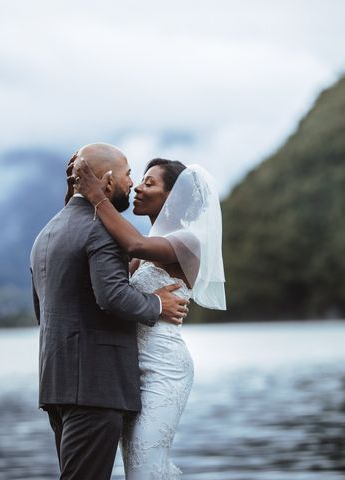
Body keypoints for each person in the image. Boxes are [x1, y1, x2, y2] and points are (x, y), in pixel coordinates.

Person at [29, 143, 190, 480]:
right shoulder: (102, 230)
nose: (132, 184)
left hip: (56, 383)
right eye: (129, 174)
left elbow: (42, 311)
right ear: (105, 180)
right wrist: (159, 303)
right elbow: (114, 295)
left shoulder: (47, 233)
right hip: (95, 386)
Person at [73, 156, 226, 478]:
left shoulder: (187, 241)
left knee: (145, 465)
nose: (139, 188)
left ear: (175, 198)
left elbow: (134, 242)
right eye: (140, 179)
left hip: (164, 368)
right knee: (136, 467)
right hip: (129, 369)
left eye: (150, 183)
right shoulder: (148, 248)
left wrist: (96, 196)